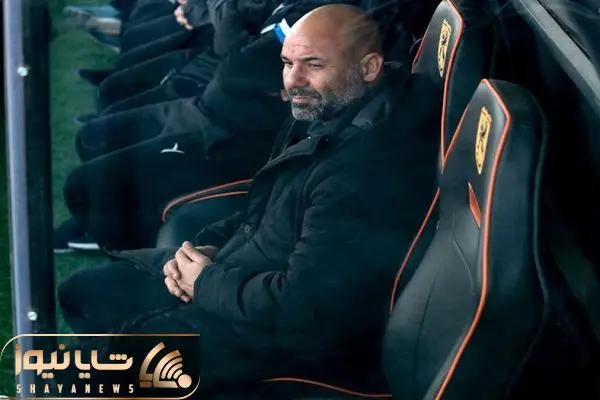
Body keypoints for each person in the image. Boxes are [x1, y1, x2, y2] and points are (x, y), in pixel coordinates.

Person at [58, 4, 441, 396]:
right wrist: (205, 248)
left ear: (369, 68)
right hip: (234, 276)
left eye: (314, 64)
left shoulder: (366, 170)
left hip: (269, 337)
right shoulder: (326, 111)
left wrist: (205, 282)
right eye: (287, 63)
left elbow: (302, 307)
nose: (294, 80)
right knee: (80, 293)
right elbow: (262, 206)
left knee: (67, 377)